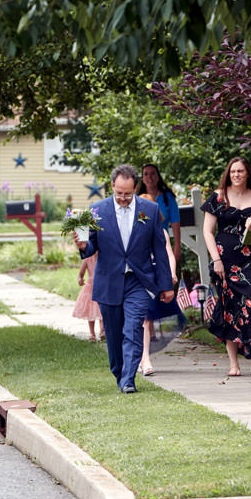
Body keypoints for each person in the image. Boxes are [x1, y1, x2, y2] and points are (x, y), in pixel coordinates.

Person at [74, 165, 175, 393]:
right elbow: (91, 246)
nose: (122, 198)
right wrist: (82, 246)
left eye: (127, 194)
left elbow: (159, 249)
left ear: (135, 188)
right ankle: (119, 372)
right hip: (109, 281)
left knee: (133, 328)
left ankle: (129, 379)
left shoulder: (149, 209)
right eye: (119, 193)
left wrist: (166, 285)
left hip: (138, 280)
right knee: (113, 334)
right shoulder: (97, 210)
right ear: (112, 186)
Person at [201, 157, 251, 377]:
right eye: (233, 171)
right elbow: (207, 231)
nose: (236, 175)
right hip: (224, 262)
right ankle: (233, 364)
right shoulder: (218, 197)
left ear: (247, 174)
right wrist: (216, 260)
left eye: (240, 171)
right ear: (228, 174)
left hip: (250, 260)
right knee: (229, 310)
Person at [137, 163, 184, 375]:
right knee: (141, 317)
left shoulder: (166, 200)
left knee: (147, 316)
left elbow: (167, 251)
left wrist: (171, 273)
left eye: (152, 173)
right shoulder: (133, 230)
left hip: (156, 272)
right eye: (145, 174)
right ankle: (140, 356)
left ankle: (145, 357)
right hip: (137, 276)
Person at [72, 252, 103, 341]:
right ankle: (92, 333)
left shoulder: (103, 257)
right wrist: (80, 279)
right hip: (90, 288)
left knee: (102, 310)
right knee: (90, 311)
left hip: (101, 286)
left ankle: (102, 331)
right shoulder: (87, 258)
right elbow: (81, 273)